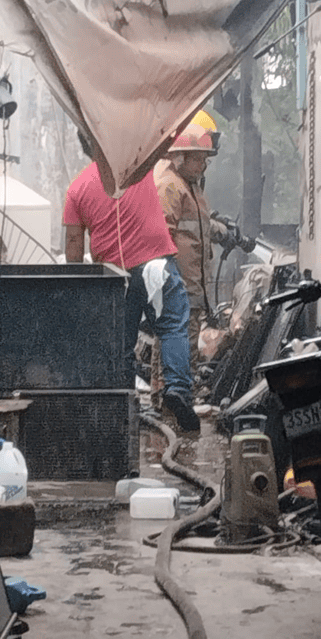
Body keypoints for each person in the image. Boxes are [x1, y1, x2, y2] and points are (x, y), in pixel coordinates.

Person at [62, 131, 200, 434]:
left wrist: (79, 283)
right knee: (172, 327)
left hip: (115, 277)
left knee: (120, 343)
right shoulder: (139, 168)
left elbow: (73, 244)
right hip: (157, 266)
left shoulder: (77, 189)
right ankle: (177, 389)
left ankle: (124, 404)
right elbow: (160, 136)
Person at [153, 116, 231, 377]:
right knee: (177, 337)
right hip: (179, 280)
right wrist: (169, 278)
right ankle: (172, 391)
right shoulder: (170, 187)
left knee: (188, 333)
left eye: (204, 159)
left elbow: (198, 228)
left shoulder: (191, 188)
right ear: (180, 158)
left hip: (192, 279)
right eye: (197, 159)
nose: (202, 165)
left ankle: (180, 387)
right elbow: (163, 236)